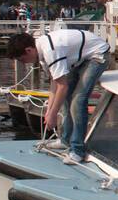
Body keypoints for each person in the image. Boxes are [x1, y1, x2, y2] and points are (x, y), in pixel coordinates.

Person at [7, 28, 110, 163]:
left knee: (78, 100)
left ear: (28, 50)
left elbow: (62, 86)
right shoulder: (41, 54)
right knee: (66, 99)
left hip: (97, 55)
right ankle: (65, 140)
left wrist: (53, 114)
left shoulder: (50, 51)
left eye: (22, 59)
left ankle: (78, 150)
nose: (23, 63)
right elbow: (55, 84)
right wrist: (49, 111)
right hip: (79, 59)